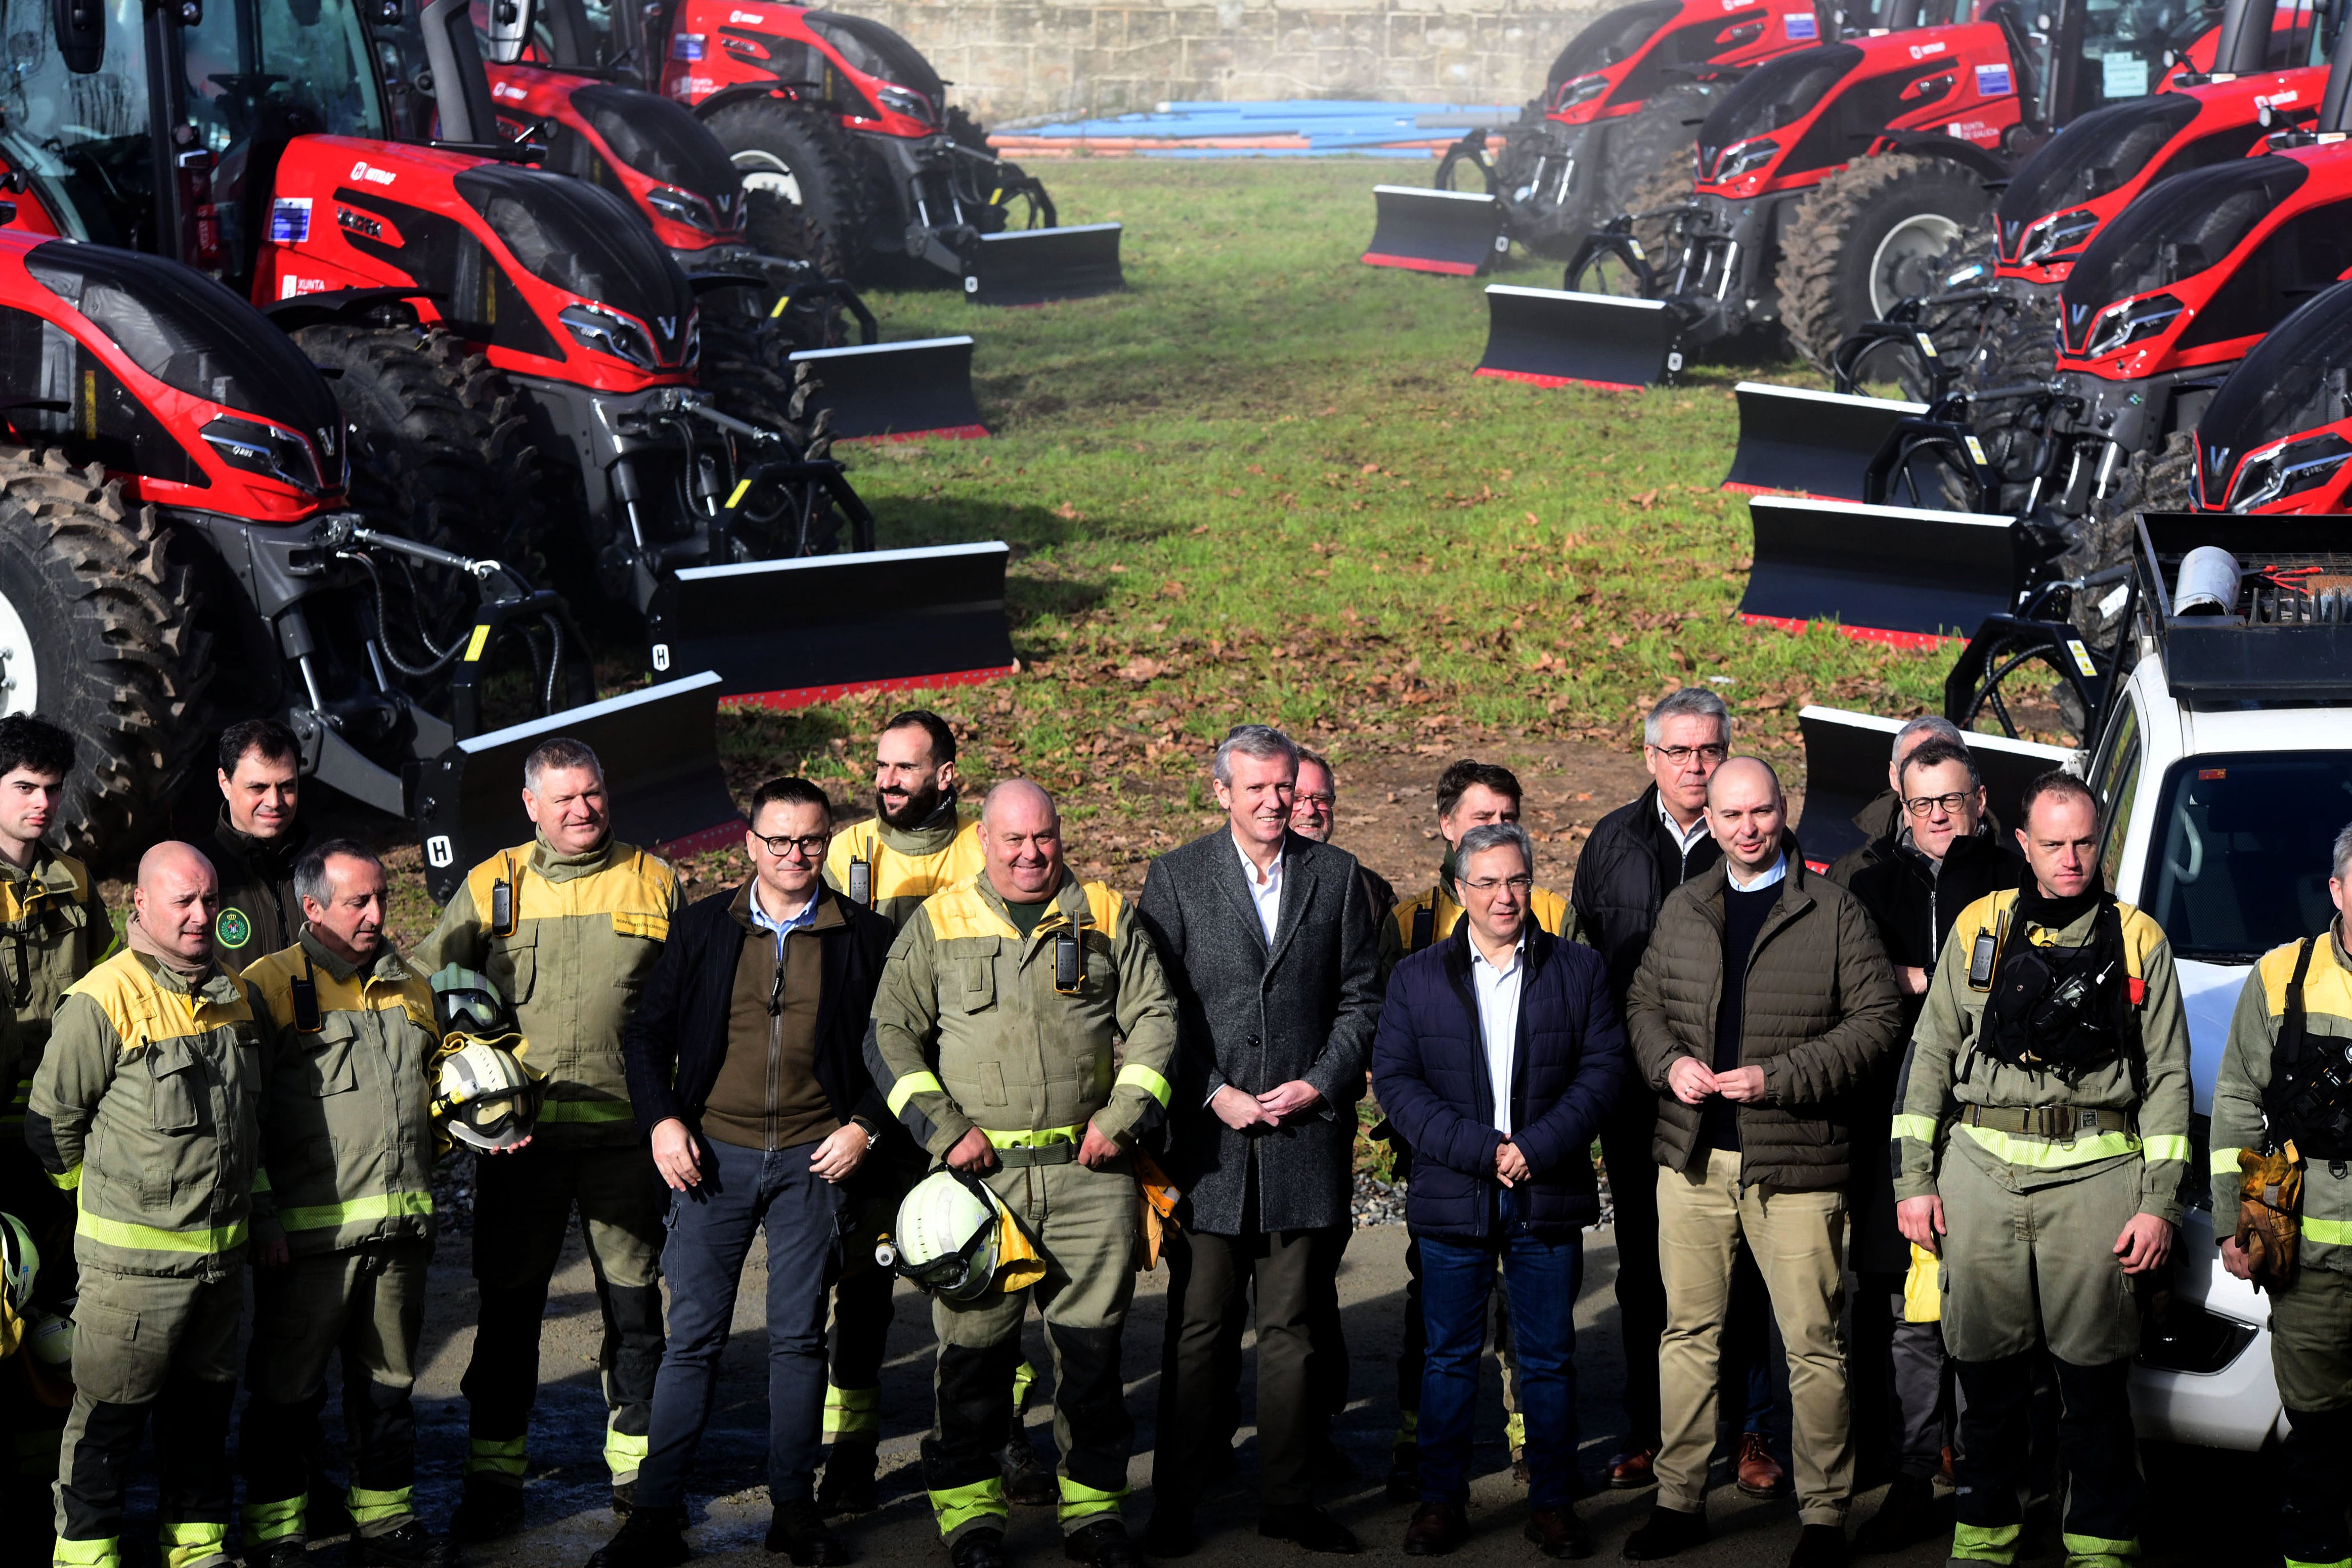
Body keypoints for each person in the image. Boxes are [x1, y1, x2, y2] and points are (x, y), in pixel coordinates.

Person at [867, 779, 1181, 1568]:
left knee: (1093, 1360)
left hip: (1089, 1175)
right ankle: (971, 1519)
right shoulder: (937, 922)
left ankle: (1094, 1515)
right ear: (983, 838)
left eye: (1043, 838)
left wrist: (1119, 1121)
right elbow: (889, 1038)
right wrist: (944, 1130)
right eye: (1012, 840)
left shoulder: (1103, 914)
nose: (1030, 854)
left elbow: (1155, 1020)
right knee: (973, 1361)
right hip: (980, 1184)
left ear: (1060, 835)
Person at [593, 778, 900, 1568]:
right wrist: (662, 1121)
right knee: (691, 1339)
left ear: (827, 842)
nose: (795, 855)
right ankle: (656, 1515)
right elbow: (643, 1036)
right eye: (779, 841)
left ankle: (793, 1510)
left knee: (799, 1341)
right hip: (710, 1160)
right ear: (748, 845)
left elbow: (898, 1046)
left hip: (814, 1161)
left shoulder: (863, 936)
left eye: (810, 841)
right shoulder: (700, 930)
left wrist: (864, 1124)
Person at [1895, 772, 2190, 1568]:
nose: (2070, 859)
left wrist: (2158, 1203)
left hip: (2097, 1181)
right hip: (1980, 1176)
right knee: (1985, 1385)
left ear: (2100, 842)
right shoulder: (1977, 928)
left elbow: (2166, 1080)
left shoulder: (2138, 941)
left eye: (2084, 842)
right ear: (2021, 844)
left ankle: (2099, 1545)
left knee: (2091, 1387)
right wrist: (1913, 1182)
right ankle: (1985, 1539)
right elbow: (1927, 1058)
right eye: (2052, 843)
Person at [1624, 758, 1902, 1568]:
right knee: (1688, 1336)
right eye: (1731, 814)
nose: (1747, 827)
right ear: (1708, 819)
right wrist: (1666, 1063)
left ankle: (1822, 1515)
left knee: (1812, 1343)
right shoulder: (1683, 908)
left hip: (1797, 1164)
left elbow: (1875, 1022)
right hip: (1693, 1159)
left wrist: (1777, 1079)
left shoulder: (1834, 911)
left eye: (1761, 812)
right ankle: (1678, 1502)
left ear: (1784, 812)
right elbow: (1642, 1005)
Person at [416, 736, 683, 1540]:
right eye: (563, 798)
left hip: (625, 1145)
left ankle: (638, 1477)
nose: (582, 809)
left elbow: (692, 1007)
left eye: (592, 792)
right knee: (507, 1316)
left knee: (635, 1313)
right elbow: (424, 987)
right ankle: (495, 1482)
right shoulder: (491, 883)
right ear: (531, 806)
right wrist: (454, 1093)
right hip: (518, 1150)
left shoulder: (655, 880)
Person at [1140, 724, 1382, 1558]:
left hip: (1303, 1138)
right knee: (1200, 1331)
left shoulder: (1339, 877)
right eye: (1257, 789)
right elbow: (1153, 1011)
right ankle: (1177, 1501)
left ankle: (1289, 1499)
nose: (1276, 802)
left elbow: (1361, 1001)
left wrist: (1322, 1080)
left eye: (1285, 787)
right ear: (1222, 793)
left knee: (1293, 1335)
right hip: (1210, 1147)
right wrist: (1213, 1093)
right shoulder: (1175, 879)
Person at [1371, 822, 1624, 1559]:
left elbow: (1602, 1071)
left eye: (1515, 880)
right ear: (1458, 892)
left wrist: (1535, 1150)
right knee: (1449, 1358)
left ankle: (1552, 1502)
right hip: (1455, 1193)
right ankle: (1440, 1501)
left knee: (1546, 1358)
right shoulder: (1415, 978)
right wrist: (1485, 1153)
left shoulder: (1579, 970)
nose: (1503, 896)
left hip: (1546, 1192)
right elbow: (1397, 1085)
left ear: (1533, 885)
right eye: (1485, 882)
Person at [1565, 687, 1780, 1496]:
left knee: (1748, 1270)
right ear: (1649, 756)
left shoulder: (1757, 837)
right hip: (1636, 1097)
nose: (1696, 767)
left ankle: (1753, 1430)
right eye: (1679, 752)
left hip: (1737, 1094)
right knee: (1646, 1274)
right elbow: (1586, 970)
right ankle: (1650, 1429)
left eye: (1710, 750)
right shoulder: (1611, 842)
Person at [26, 842, 260, 1568]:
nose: (200, 915)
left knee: (201, 1422)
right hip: (134, 1275)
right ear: (142, 908)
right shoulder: (103, 999)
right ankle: (87, 1556)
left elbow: (248, 1127)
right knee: (110, 1425)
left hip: (220, 1268)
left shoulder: (231, 992)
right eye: (182, 901)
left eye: (209, 900)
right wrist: (92, 1206)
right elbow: (51, 1124)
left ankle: (196, 1551)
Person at [237, 841, 462, 1568]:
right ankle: (277, 1534)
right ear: (311, 909)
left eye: (380, 900)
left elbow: (426, 1106)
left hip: (399, 1234)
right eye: (356, 902)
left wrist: (476, 1125)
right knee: (286, 1396)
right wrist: (264, 1216)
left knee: (390, 1386)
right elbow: (244, 1118)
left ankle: (386, 1521)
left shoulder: (412, 987)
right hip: (308, 1245)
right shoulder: (266, 987)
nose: (375, 916)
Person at [1838, 737, 2023, 1550]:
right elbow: (1852, 988)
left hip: (2000, 1137)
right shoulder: (1870, 887)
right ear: (1901, 807)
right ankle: (1912, 1477)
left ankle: (1996, 1480)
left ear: (1981, 801)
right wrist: (1912, 981)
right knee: (1910, 1321)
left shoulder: (2021, 882)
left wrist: (1928, 980)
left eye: (1952, 799)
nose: (1939, 814)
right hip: (1899, 1131)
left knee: (1997, 1316)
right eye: (1923, 803)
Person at [1374, 759, 1570, 1499]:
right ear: (1446, 828)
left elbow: (1590, 1057)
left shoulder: (1556, 926)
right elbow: (1393, 1059)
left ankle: (1534, 1456)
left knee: (1539, 1341)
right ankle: (1423, 1463)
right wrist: (1470, 1147)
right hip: (1444, 1172)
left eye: (1506, 818)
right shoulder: (1411, 927)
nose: (1494, 832)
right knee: (1438, 1332)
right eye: (1480, 819)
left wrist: (1533, 1146)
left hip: (1537, 1175)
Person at [817, 709, 992, 1513]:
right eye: (881, 767)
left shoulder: (983, 848)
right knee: (860, 1289)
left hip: (959, 1098)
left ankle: (996, 1441)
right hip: (869, 1099)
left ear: (946, 775)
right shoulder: (848, 849)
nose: (887, 781)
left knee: (980, 1278)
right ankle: (848, 1455)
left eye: (906, 769)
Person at [2212, 821, 2352, 1568]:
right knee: (2316, 1440)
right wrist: (2247, 1231)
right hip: (2309, 1268)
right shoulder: (2279, 977)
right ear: (2335, 890)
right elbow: (2239, 1102)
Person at [0, 716, 111, 1537]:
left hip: (58, 1144)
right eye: (23, 788)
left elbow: (113, 1000)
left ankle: (48, 1503)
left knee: (57, 1327)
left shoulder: (74, 887)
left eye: (50, 789)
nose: (42, 804)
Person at [1825, 716, 1988, 887]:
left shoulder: (2012, 872)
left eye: (1943, 760)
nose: (1929, 773)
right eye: (1913, 763)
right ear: (1894, 777)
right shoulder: (1852, 873)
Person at [206, 720, 310, 976]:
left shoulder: (327, 865)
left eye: (287, 787)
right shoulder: (198, 873)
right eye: (258, 788)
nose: (275, 802)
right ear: (224, 783)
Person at [1292, 747, 1398, 921]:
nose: (1310, 811)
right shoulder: (1252, 885)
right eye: (1297, 799)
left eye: (1321, 799)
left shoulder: (1371, 892)